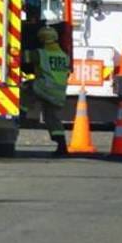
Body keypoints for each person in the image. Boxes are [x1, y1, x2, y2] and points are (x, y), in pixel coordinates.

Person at [26, 26, 71, 155]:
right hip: (59, 93)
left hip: (45, 87)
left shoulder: (41, 53)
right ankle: (62, 146)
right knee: (52, 117)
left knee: (26, 88)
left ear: (42, 39)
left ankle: (22, 114)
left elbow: (23, 57)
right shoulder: (64, 56)